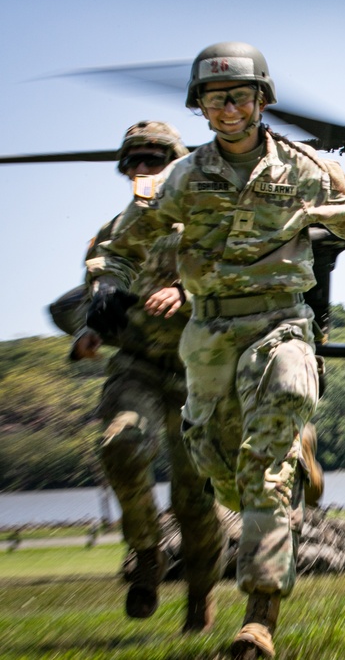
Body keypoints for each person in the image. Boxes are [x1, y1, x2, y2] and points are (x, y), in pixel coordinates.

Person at [86, 42, 345, 660]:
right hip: (206, 337)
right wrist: (108, 284)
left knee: (267, 465)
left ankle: (259, 620)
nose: (229, 109)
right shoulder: (184, 179)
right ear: (201, 108)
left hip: (279, 326)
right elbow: (125, 241)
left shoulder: (303, 166)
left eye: (240, 96)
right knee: (221, 474)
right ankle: (297, 454)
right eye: (216, 100)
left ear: (261, 100)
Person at [59, 121, 223, 632]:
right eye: (133, 161)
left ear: (176, 163)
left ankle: (200, 597)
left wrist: (186, 294)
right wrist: (89, 331)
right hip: (137, 368)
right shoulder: (111, 234)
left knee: (193, 503)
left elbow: (238, 284)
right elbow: (97, 297)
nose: (141, 169)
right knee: (120, 446)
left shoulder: (207, 223)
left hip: (199, 374)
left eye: (153, 159)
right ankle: (147, 554)